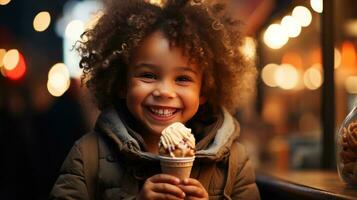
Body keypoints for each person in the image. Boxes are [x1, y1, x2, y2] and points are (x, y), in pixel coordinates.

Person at [50, 0, 260, 199]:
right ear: (122, 84)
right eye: (148, 75)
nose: (165, 91)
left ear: (204, 91)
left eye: (183, 78)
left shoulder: (234, 162)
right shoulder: (88, 155)